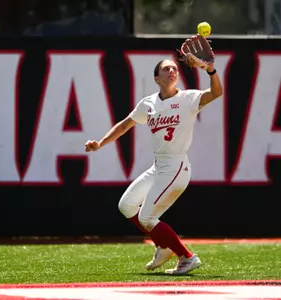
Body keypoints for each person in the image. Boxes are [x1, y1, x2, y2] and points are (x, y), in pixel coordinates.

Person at [85, 41, 223, 275]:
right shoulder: (148, 103)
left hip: (177, 166)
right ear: (156, 78)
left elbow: (216, 92)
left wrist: (210, 70)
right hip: (159, 166)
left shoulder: (188, 98)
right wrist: (100, 143)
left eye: (175, 69)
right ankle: (162, 245)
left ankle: (187, 257)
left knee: (147, 216)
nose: (172, 71)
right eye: (166, 69)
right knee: (127, 205)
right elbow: (124, 125)